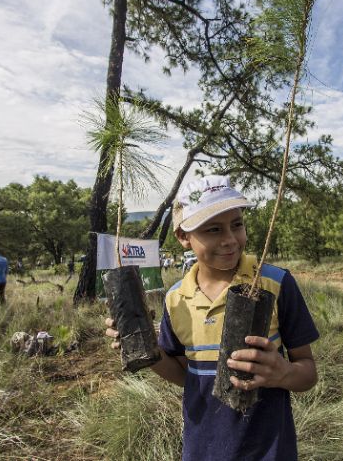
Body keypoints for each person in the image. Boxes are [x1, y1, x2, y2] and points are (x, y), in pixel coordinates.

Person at [104, 175, 319, 461]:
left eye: (237, 225)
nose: (230, 240)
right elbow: (184, 375)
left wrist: (283, 373)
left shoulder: (275, 284)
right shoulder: (176, 299)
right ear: (183, 236)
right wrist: (146, 348)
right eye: (214, 229)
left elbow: (308, 372)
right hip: (202, 450)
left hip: (270, 451)